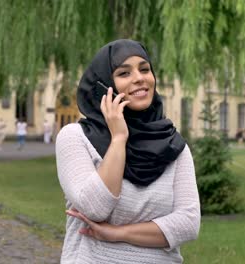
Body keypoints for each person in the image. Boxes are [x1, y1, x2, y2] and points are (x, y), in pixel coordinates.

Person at [55, 39, 200, 263]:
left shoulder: (173, 146)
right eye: (124, 73)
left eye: (144, 69)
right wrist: (119, 138)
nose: (139, 78)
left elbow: (188, 223)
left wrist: (116, 233)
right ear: (103, 86)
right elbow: (95, 207)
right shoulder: (75, 138)